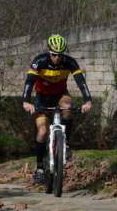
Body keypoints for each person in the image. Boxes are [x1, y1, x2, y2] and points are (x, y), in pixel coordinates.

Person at [22, 34, 93, 183]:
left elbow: (81, 82)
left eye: (60, 55)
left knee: (67, 106)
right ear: (49, 52)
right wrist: (26, 101)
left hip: (60, 95)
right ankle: (40, 167)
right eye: (54, 55)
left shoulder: (69, 62)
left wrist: (87, 100)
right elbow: (29, 82)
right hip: (41, 98)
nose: (57, 58)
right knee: (42, 131)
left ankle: (65, 143)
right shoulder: (39, 61)